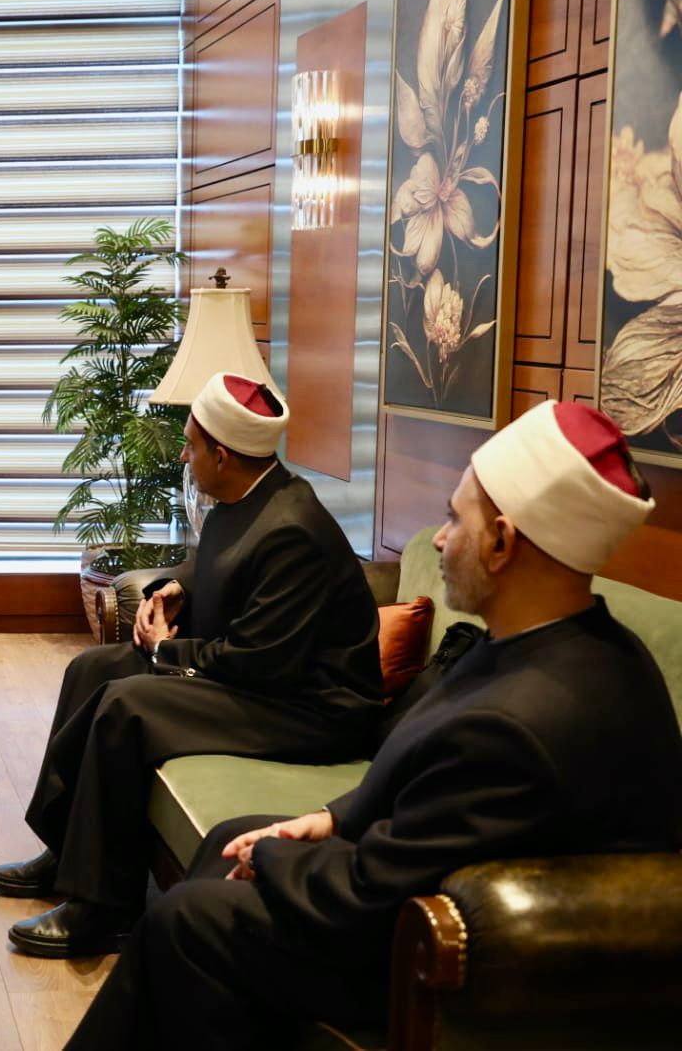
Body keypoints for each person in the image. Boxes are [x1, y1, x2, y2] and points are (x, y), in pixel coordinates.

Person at [65, 399, 682, 1049]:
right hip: (424, 886)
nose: (438, 539)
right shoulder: (573, 642)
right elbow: (427, 798)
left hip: (449, 964)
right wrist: (329, 820)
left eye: (455, 519)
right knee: (228, 838)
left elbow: (375, 893)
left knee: (188, 920)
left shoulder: (518, 724)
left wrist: (272, 857)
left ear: (502, 542)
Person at [0, 372, 384, 957]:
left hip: (312, 709)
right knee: (92, 670)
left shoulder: (293, 529)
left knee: (129, 704)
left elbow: (256, 661)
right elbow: (224, 561)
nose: (182, 455)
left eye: (191, 445)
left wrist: (163, 650)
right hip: (270, 683)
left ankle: (106, 908)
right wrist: (176, 587)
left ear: (222, 456)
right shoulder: (250, 493)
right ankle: (67, 851)